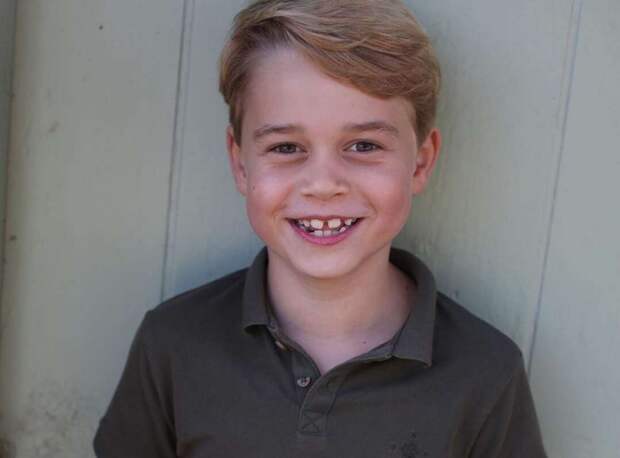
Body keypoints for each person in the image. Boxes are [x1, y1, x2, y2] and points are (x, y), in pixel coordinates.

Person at [94, 1, 547, 456]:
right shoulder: (173, 343)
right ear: (240, 163)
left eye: (363, 145)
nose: (324, 184)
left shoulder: (486, 375)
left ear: (421, 162)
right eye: (286, 147)